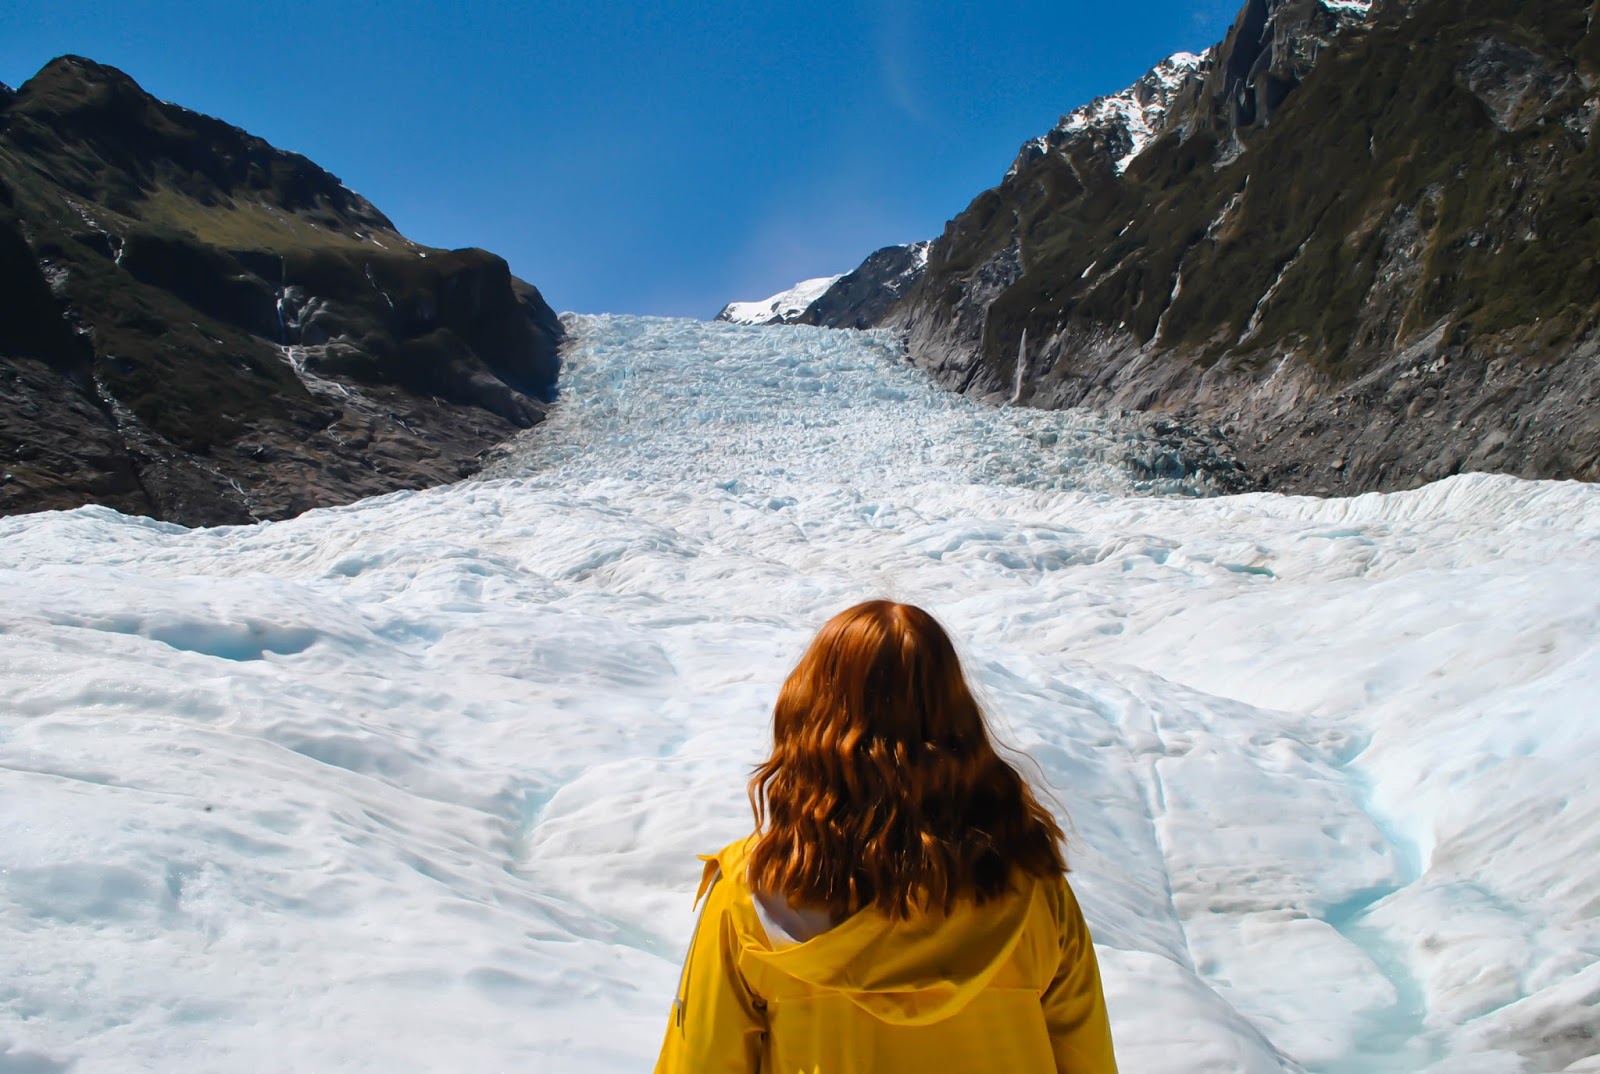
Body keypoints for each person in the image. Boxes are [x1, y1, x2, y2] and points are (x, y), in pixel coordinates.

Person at [653, 600, 1118, 1074]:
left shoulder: (753, 892)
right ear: (958, 721)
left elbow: (701, 1061)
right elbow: (1088, 1058)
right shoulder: (1031, 885)